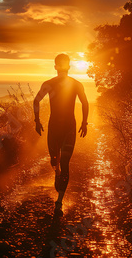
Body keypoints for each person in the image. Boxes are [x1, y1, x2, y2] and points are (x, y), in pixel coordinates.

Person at [33, 53, 89, 211]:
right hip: (56, 128)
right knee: (54, 161)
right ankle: (56, 171)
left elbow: (85, 103)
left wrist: (85, 122)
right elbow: (36, 100)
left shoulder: (75, 84)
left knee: (65, 162)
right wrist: (36, 121)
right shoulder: (50, 83)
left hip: (68, 128)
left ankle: (59, 201)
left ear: (57, 66)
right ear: (58, 67)